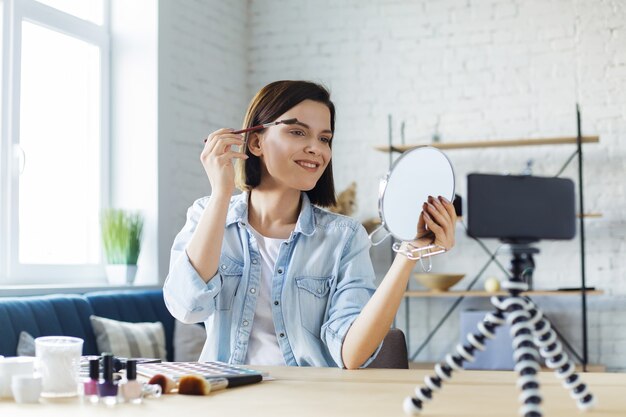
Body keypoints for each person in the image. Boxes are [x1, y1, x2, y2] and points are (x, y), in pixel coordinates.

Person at [163, 80, 457, 369]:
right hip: (227, 396)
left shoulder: (345, 237)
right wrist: (221, 195)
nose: (316, 148)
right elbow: (187, 308)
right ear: (255, 142)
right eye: (297, 132)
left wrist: (408, 256)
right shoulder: (207, 214)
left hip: (311, 400)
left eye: (324, 138)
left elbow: (352, 355)